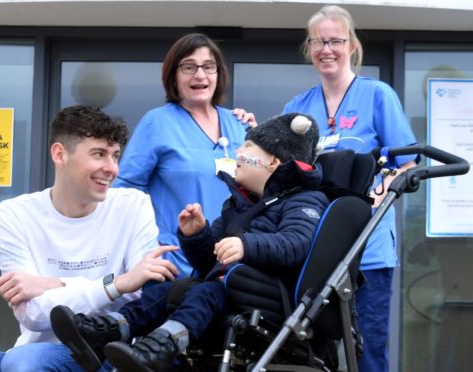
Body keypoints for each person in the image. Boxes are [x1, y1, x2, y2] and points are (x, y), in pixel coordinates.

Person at [50, 112, 330, 372]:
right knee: (167, 291)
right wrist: (196, 235)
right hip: (227, 290)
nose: (238, 154)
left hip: (265, 299)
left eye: (247, 148)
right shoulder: (238, 204)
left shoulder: (305, 200)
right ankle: (108, 331)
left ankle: (163, 347)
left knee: (205, 292)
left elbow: (296, 244)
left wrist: (246, 246)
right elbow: (209, 261)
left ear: (273, 162)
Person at [0, 105, 178, 372]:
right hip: (30, 351)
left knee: (25, 364)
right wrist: (116, 285)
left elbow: (140, 297)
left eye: (115, 156)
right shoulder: (14, 214)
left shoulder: (133, 205)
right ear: (60, 154)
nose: (111, 168)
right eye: (99, 154)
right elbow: (33, 315)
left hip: (108, 355)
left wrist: (50, 284)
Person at [281, 5, 418, 372]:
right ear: (309, 48)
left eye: (335, 41)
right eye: (318, 42)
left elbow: (408, 163)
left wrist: (383, 190)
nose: (327, 49)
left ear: (351, 45)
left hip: (367, 250)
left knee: (368, 351)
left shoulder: (377, 96)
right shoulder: (297, 109)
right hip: (315, 251)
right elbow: (281, 169)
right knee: (311, 351)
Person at [113, 32, 253, 278]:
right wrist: (140, 248)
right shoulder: (156, 122)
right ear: (173, 76)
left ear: (219, 74)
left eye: (208, 67)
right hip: (176, 264)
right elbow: (124, 192)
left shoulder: (238, 124)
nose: (200, 75)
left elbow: (260, 187)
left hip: (229, 264)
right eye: (189, 67)